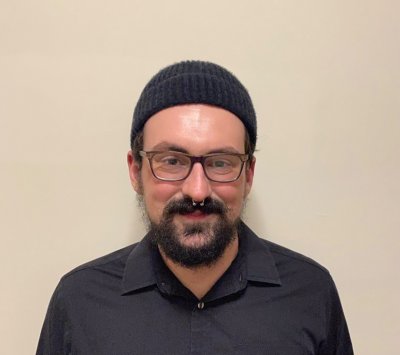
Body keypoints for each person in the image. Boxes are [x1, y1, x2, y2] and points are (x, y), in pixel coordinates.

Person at [36, 60, 353, 354]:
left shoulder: (311, 293)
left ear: (249, 174)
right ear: (136, 171)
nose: (197, 190)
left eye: (220, 163)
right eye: (172, 161)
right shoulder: (79, 302)